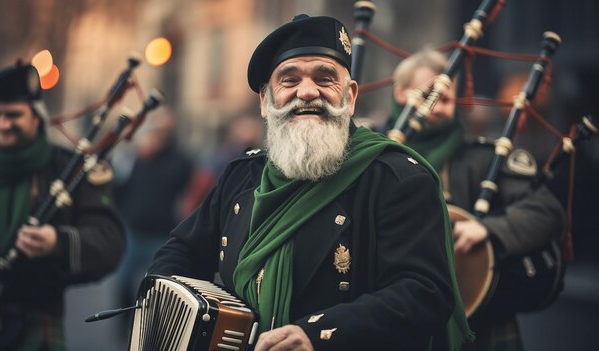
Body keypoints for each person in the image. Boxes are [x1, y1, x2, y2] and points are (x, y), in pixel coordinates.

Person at [148, 14, 472, 351]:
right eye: (289, 80)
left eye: (325, 78)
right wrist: (164, 299)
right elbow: (182, 250)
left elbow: (425, 292)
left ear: (350, 97)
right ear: (265, 101)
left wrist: (318, 335)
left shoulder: (398, 179)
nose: (307, 91)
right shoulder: (241, 175)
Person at [389, 49, 567, 350]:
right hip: (395, 317)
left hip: (480, 322)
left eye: (445, 99)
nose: (437, 106)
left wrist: (490, 230)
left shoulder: (483, 159)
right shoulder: (377, 155)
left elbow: (547, 211)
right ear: (400, 93)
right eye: (428, 95)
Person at [0, 63, 125, 350]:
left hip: (35, 320)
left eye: (14, 115)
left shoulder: (68, 167)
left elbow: (110, 242)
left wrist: (59, 241)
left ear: (36, 118)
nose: (3, 124)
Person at [111, 107, 194, 338]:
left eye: (164, 129)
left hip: (162, 234)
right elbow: (119, 188)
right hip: (133, 231)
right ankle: (123, 326)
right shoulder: (136, 158)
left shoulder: (181, 161)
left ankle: (148, 331)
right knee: (123, 281)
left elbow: (189, 193)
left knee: (155, 287)